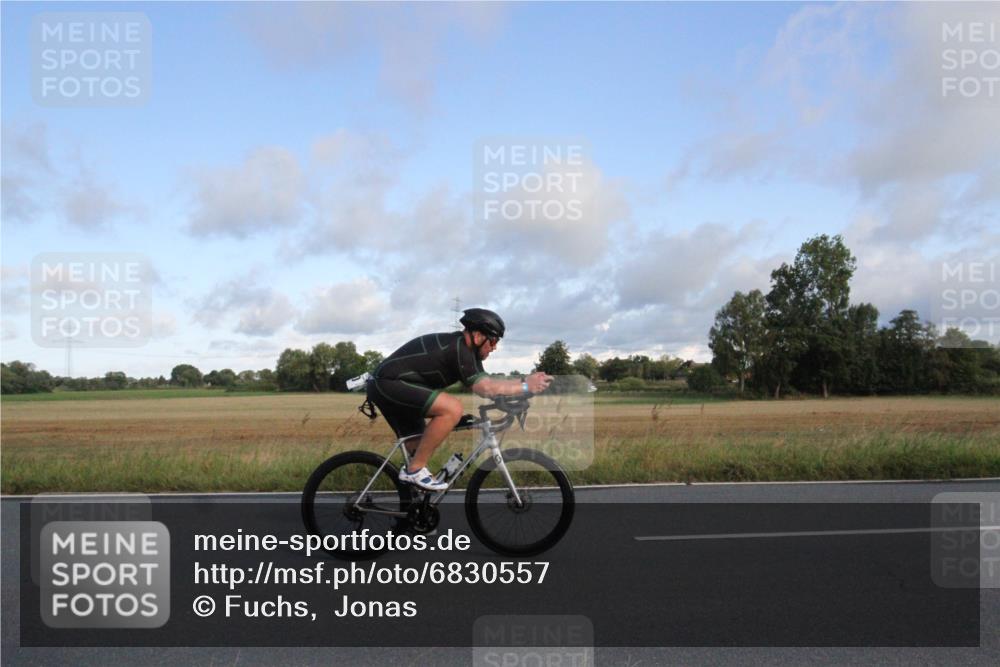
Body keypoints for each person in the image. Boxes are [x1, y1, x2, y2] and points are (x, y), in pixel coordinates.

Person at [366, 308, 553, 491]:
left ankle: (411, 506)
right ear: (479, 336)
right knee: (452, 409)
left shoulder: (467, 351)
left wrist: (523, 383)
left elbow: (490, 384)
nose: (495, 347)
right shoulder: (459, 348)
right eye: (494, 341)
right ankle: (415, 471)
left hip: (391, 385)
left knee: (419, 445)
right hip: (388, 383)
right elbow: (486, 389)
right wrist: (526, 386)